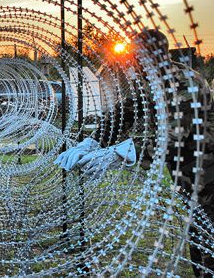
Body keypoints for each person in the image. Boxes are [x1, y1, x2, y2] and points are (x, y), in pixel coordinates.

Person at [56, 29, 213, 277]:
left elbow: (177, 135)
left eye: (139, 56)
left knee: (208, 238)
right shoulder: (151, 82)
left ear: (155, 55)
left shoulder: (185, 82)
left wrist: (122, 153)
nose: (134, 62)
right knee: (200, 236)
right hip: (187, 172)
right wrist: (90, 142)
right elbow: (124, 113)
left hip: (206, 169)